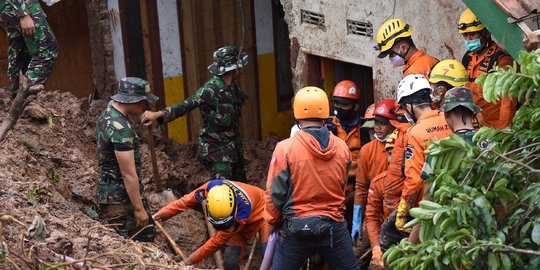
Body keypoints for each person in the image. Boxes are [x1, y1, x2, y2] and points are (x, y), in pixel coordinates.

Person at [265, 87, 359, 269]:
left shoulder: (284, 148)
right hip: (333, 226)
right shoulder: (342, 147)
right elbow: (342, 185)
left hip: (295, 227)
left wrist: (272, 222)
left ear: (296, 115)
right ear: (326, 113)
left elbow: (274, 193)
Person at [141, 45, 248, 182]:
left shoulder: (233, 89)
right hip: (218, 151)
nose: (240, 70)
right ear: (233, 69)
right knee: (221, 193)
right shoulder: (209, 90)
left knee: (241, 189)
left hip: (234, 149)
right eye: (238, 67)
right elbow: (185, 105)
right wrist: (157, 115)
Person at [153, 179, 269, 269]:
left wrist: (188, 261)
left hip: (263, 215)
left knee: (268, 255)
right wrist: (158, 215)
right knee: (230, 263)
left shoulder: (243, 211)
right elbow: (185, 202)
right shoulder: (209, 189)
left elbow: (216, 242)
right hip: (237, 222)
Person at [95, 77, 158, 241]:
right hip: (120, 198)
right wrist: (139, 209)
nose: (145, 107)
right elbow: (128, 174)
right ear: (133, 100)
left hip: (112, 193)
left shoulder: (108, 114)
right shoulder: (121, 129)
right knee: (141, 238)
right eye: (143, 102)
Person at [394, 75, 452, 232]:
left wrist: (403, 211)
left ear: (409, 105)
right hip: (458, 195)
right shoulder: (449, 118)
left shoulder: (415, 132)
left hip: (430, 205)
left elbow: (415, 179)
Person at [458, 8, 516, 129]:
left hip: (496, 128)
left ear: (487, 32)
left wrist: (505, 131)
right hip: (476, 127)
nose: (469, 39)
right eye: (465, 35)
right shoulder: (467, 58)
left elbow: (508, 101)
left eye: (473, 34)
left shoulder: (502, 60)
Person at [352, 99, 397, 240]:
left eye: (382, 124)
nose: (377, 127)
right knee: (357, 253)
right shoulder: (367, 150)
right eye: (376, 123)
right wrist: (356, 220)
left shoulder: (402, 146)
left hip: (396, 212)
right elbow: (361, 187)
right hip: (374, 214)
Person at [0, 0, 58, 96]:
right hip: (21, 5)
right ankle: (22, 97)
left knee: (21, 53)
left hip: (11, 6)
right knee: (47, 50)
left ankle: (14, 98)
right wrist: (23, 14)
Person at [328, 80, 362, 231]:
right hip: (334, 189)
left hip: (357, 189)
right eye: (337, 104)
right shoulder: (327, 127)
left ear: (355, 107)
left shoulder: (365, 129)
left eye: (345, 105)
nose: (340, 108)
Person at [365, 131, 400, 269]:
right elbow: (372, 216)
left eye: (396, 152)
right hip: (386, 239)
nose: (391, 159)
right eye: (389, 153)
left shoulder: (417, 182)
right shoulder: (379, 182)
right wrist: (376, 248)